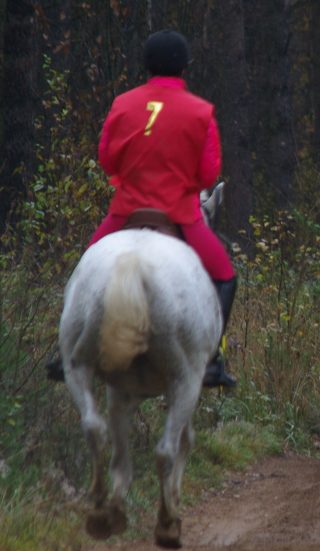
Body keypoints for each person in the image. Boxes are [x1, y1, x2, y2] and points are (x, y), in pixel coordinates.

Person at [47, 30, 237, 387]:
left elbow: (106, 159)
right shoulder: (200, 112)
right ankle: (211, 360)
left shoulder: (123, 104)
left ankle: (66, 353)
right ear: (184, 67)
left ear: (146, 65)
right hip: (181, 214)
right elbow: (209, 172)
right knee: (226, 275)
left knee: (85, 269)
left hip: (126, 212)